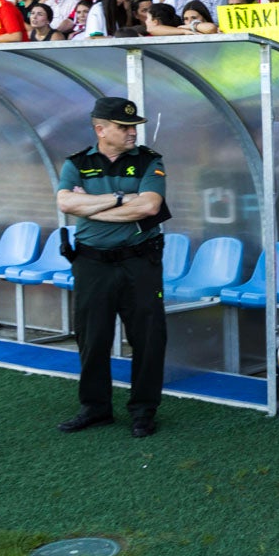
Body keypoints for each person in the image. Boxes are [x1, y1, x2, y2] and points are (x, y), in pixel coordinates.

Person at [55, 97, 171, 438]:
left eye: (134, 126)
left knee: (148, 339)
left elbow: (150, 207)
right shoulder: (77, 162)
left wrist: (90, 208)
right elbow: (64, 202)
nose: (132, 132)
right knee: (92, 338)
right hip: (92, 263)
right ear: (100, 129)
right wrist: (123, 199)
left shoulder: (150, 161)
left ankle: (143, 411)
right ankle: (95, 408)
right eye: (124, 127)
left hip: (140, 262)